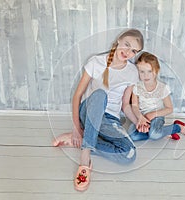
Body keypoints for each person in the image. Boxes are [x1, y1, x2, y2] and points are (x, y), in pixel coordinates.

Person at [52, 29, 144, 191]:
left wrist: (138, 120)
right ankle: (85, 156)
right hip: (89, 111)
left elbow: (126, 106)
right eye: (127, 45)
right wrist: (75, 128)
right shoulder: (96, 62)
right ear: (118, 41)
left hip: (109, 119)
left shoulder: (132, 72)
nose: (128, 52)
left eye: (134, 51)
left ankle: (81, 141)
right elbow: (77, 95)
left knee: (129, 154)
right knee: (101, 94)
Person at [128, 52, 185, 142]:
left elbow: (169, 108)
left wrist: (152, 114)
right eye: (142, 72)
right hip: (141, 117)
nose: (145, 75)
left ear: (156, 70)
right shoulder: (137, 87)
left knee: (154, 135)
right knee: (132, 136)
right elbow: (135, 106)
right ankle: (162, 132)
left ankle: (177, 127)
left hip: (156, 117)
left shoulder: (162, 88)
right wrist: (140, 118)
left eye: (149, 71)